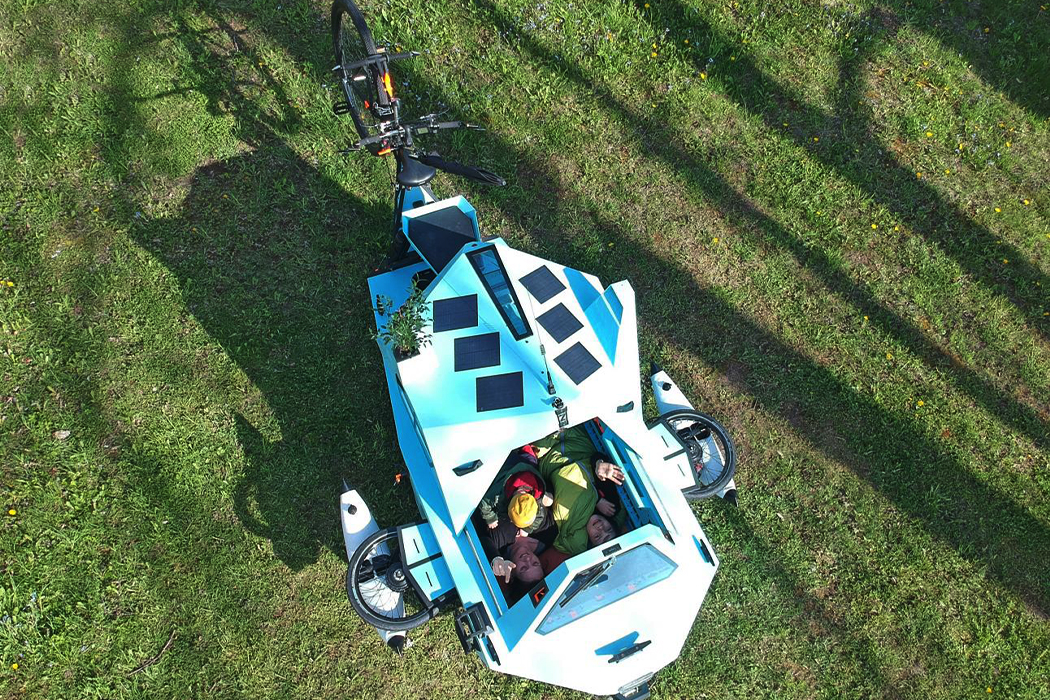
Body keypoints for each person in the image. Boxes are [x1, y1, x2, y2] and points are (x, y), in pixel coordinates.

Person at [532, 424, 627, 556]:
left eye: (597, 536)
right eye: (608, 529)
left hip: (548, 458)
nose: (601, 528)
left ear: (590, 541)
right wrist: (599, 464)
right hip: (579, 443)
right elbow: (600, 464)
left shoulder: (569, 529)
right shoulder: (611, 507)